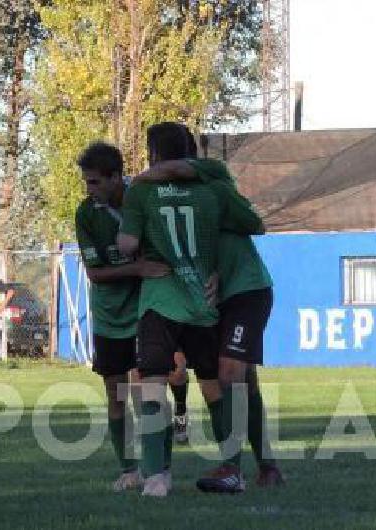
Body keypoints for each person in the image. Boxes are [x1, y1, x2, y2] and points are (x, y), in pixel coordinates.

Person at [133, 123, 285, 493]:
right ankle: (267, 465)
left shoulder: (212, 179)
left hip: (245, 288)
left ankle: (232, 468)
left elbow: (255, 224)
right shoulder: (168, 197)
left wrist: (136, 178)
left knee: (230, 372)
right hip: (210, 296)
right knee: (242, 379)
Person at [75, 141, 171, 492]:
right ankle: (129, 469)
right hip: (108, 316)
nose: (90, 189)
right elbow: (95, 274)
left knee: (147, 391)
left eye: (96, 182)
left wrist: (146, 269)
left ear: (117, 177)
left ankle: (158, 468)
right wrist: (138, 267)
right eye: (87, 182)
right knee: (115, 394)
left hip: (144, 312)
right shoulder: (86, 214)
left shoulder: (141, 199)